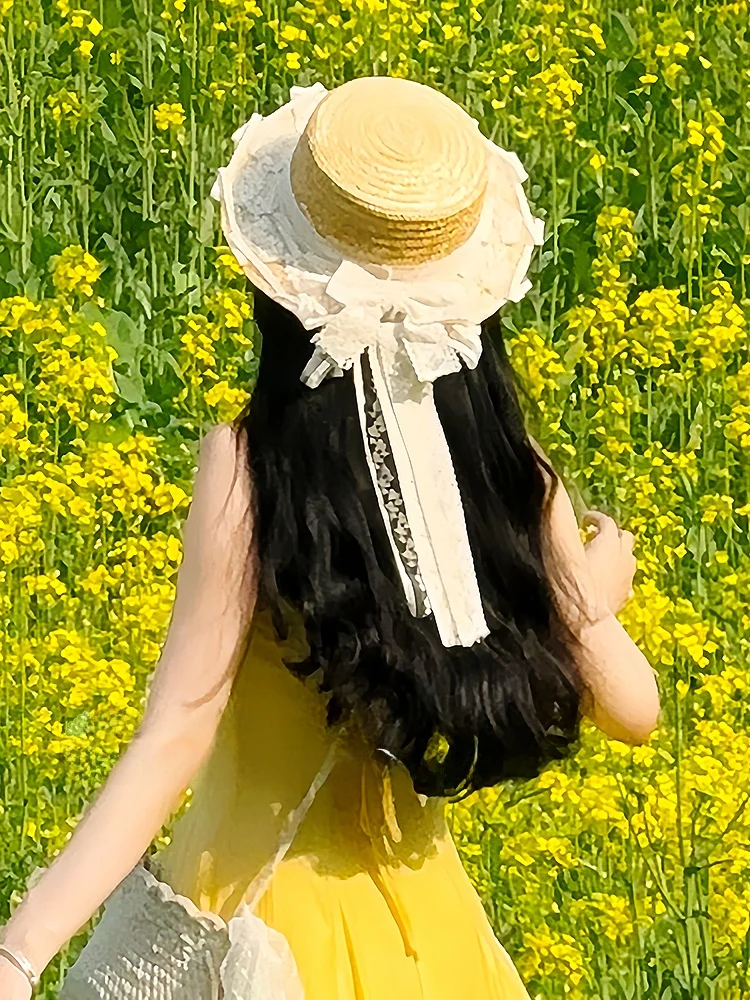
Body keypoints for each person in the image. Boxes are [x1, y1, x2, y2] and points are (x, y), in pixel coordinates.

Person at [0, 76, 660, 1000]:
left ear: (279, 284)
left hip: (254, 941)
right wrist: (584, 597)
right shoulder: (510, 472)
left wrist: (20, 952)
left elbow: (179, 729)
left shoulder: (249, 468)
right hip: (434, 953)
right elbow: (635, 709)